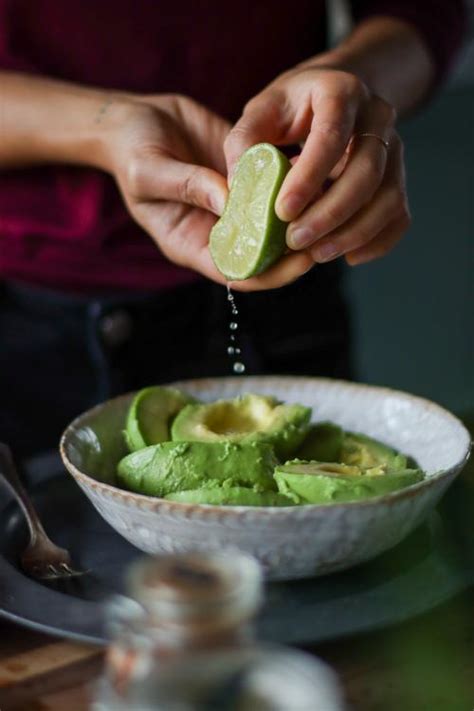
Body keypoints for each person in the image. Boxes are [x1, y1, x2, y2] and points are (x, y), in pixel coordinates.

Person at [0, 1, 465, 457]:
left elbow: (425, 11)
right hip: (23, 325)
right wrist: (105, 129)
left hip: (287, 292)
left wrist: (354, 81)